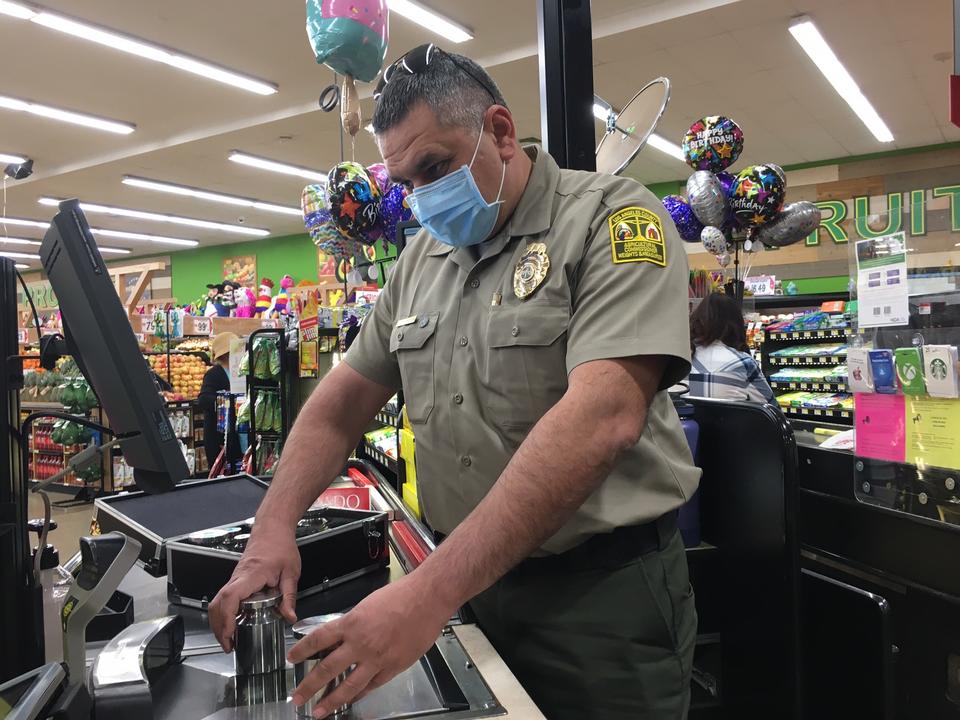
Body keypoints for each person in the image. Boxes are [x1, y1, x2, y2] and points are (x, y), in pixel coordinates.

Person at [209, 44, 699, 720]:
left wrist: (424, 595)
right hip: (470, 586)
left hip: (599, 604)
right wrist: (272, 528)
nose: (422, 197)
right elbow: (340, 405)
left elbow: (604, 417)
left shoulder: (614, 221)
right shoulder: (421, 260)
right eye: (405, 182)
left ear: (499, 130)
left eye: (435, 167)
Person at [687, 292, 775, 403]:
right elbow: (773, 412)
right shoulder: (743, 363)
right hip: (727, 420)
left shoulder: (679, 361)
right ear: (736, 325)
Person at [197, 332, 238, 469]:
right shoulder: (214, 374)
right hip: (218, 437)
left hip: (237, 434)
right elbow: (204, 399)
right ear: (226, 354)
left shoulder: (241, 372)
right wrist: (227, 402)